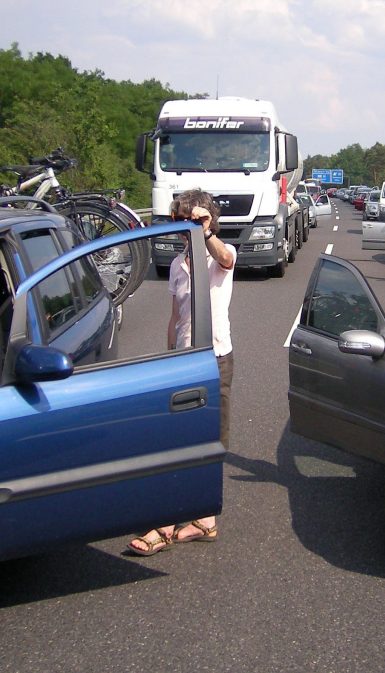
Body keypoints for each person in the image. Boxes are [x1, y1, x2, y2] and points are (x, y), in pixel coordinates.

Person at [129, 189, 236, 557]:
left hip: (216, 359)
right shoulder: (177, 266)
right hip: (184, 360)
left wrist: (205, 232)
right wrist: (169, 357)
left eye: (195, 219)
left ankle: (197, 520)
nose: (187, 227)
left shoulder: (221, 256)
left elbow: (225, 258)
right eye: (182, 221)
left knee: (211, 439)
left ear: (210, 221)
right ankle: (181, 519)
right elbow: (176, 317)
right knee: (176, 440)